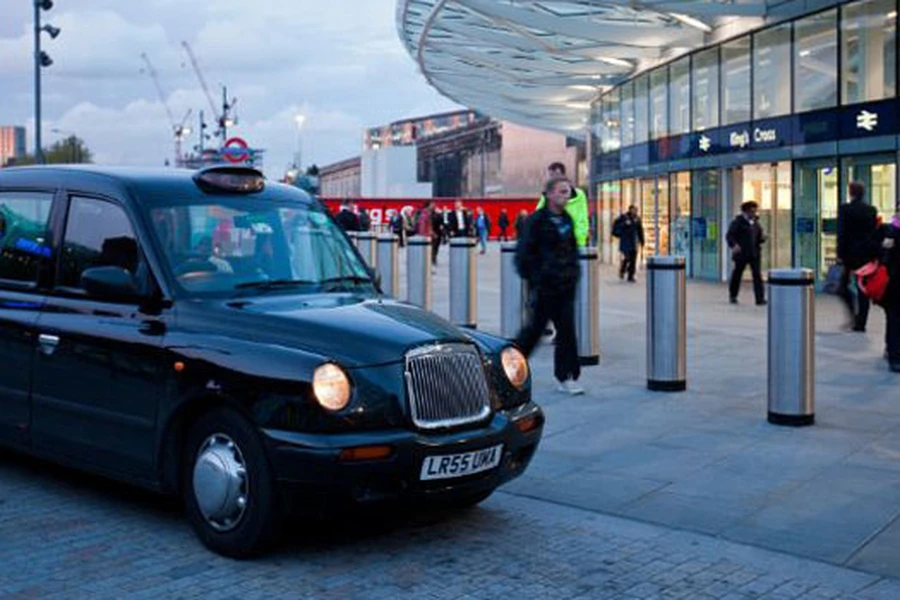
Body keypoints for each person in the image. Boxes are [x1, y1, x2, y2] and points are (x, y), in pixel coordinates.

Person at [515, 176, 583, 395]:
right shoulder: (536, 221)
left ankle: (566, 376)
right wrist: (536, 279)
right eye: (562, 192)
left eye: (568, 193)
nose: (566, 196)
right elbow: (523, 254)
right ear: (550, 194)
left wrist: (573, 274)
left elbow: (572, 250)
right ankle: (508, 366)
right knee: (533, 332)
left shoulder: (567, 221)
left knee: (567, 332)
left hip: (565, 286)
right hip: (545, 288)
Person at [837, 181, 881, 332]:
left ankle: (854, 316)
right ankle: (861, 322)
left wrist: (840, 254)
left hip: (850, 254)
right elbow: (874, 232)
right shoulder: (871, 210)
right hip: (867, 254)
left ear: (851, 193)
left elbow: (842, 233)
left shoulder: (845, 209)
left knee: (842, 286)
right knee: (863, 288)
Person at [535, 162, 589, 247]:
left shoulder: (579, 196)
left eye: (555, 175)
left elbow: (582, 220)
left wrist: (579, 241)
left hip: (572, 244)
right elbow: (537, 219)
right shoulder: (546, 196)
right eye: (550, 176)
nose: (552, 178)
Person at [726, 200, 767, 305]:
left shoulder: (756, 223)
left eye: (755, 211)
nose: (754, 214)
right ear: (745, 212)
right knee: (737, 274)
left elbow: (759, 237)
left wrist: (763, 238)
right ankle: (733, 295)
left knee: (757, 275)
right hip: (741, 253)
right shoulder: (738, 222)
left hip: (754, 253)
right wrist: (734, 245)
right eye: (751, 211)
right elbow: (729, 236)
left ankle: (760, 298)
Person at [881, 213, 900, 372]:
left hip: (893, 280)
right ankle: (893, 354)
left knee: (893, 317)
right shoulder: (891, 230)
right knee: (894, 317)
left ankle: (892, 352)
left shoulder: (891, 230)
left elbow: (884, 256)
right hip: (894, 281)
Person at [611, 205, 644, 282]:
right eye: (633, 210)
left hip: (634, 242)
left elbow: (640, 231)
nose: (635, 212)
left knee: (633, 260)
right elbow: (617, 227)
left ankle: (631, 275)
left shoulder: (637, 219)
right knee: (627, 257)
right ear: (630, 210)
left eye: (636, 210)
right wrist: (625, 224)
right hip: (625, 242)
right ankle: (622, 270)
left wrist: (642, 241)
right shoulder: (624, 218)